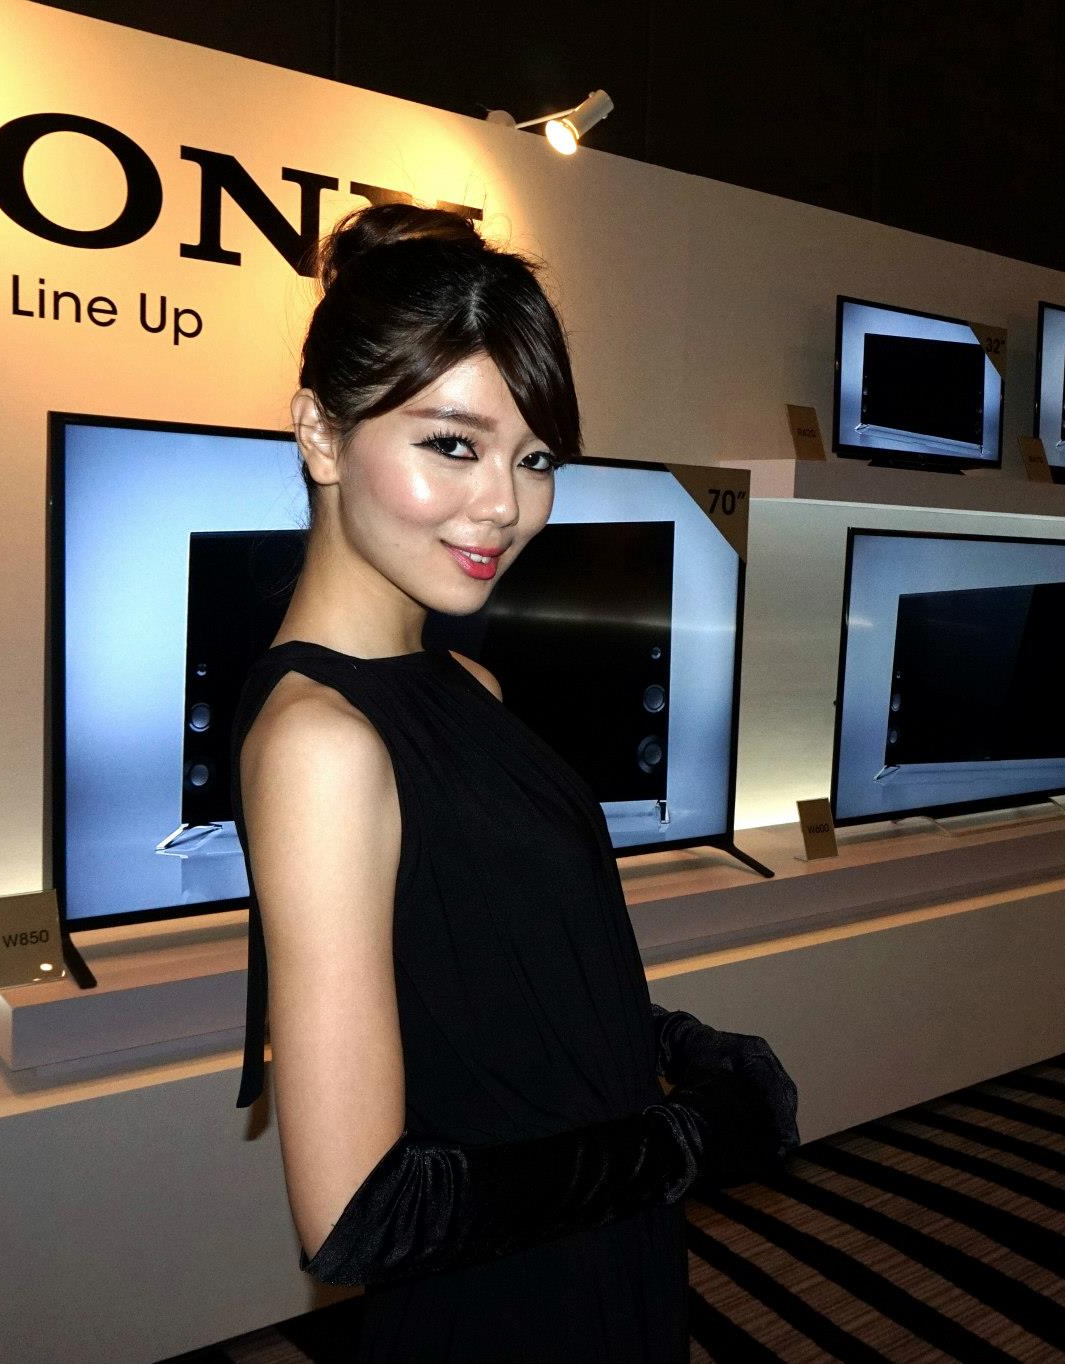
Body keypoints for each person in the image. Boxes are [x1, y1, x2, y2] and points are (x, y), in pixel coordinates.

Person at [224, 200, 801, 1362]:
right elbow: (359, 1215)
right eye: (452, 443)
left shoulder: (464, 681)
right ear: (321, 435)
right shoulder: (321, 743)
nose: (505, 504)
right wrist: (681, 1141)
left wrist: (671, 1042)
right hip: (503, 1303)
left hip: (596, 1238)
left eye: (533, 458)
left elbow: (490, 976)